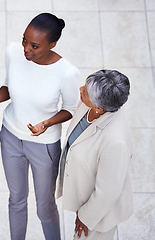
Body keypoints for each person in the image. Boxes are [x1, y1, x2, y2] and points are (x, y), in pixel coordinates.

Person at [0, 13, 79, 240]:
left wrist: (47, 123)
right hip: (10, 138)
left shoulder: (67, 72)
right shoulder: (13, 52)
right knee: (16, 200)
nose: (26, 49)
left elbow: (70, 109)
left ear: (52, 45)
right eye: (24, 40)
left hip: (44, 146)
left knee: (45, 207)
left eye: (34, 46)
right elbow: (10, 86)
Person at [56, 69, 133, 240]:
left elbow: (107, 192)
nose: (80, 89)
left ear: (98, 107)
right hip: (84, 191)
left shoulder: (116, 142)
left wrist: (85, 218)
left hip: (100, 213)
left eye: (85, 92)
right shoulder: (91, 104)